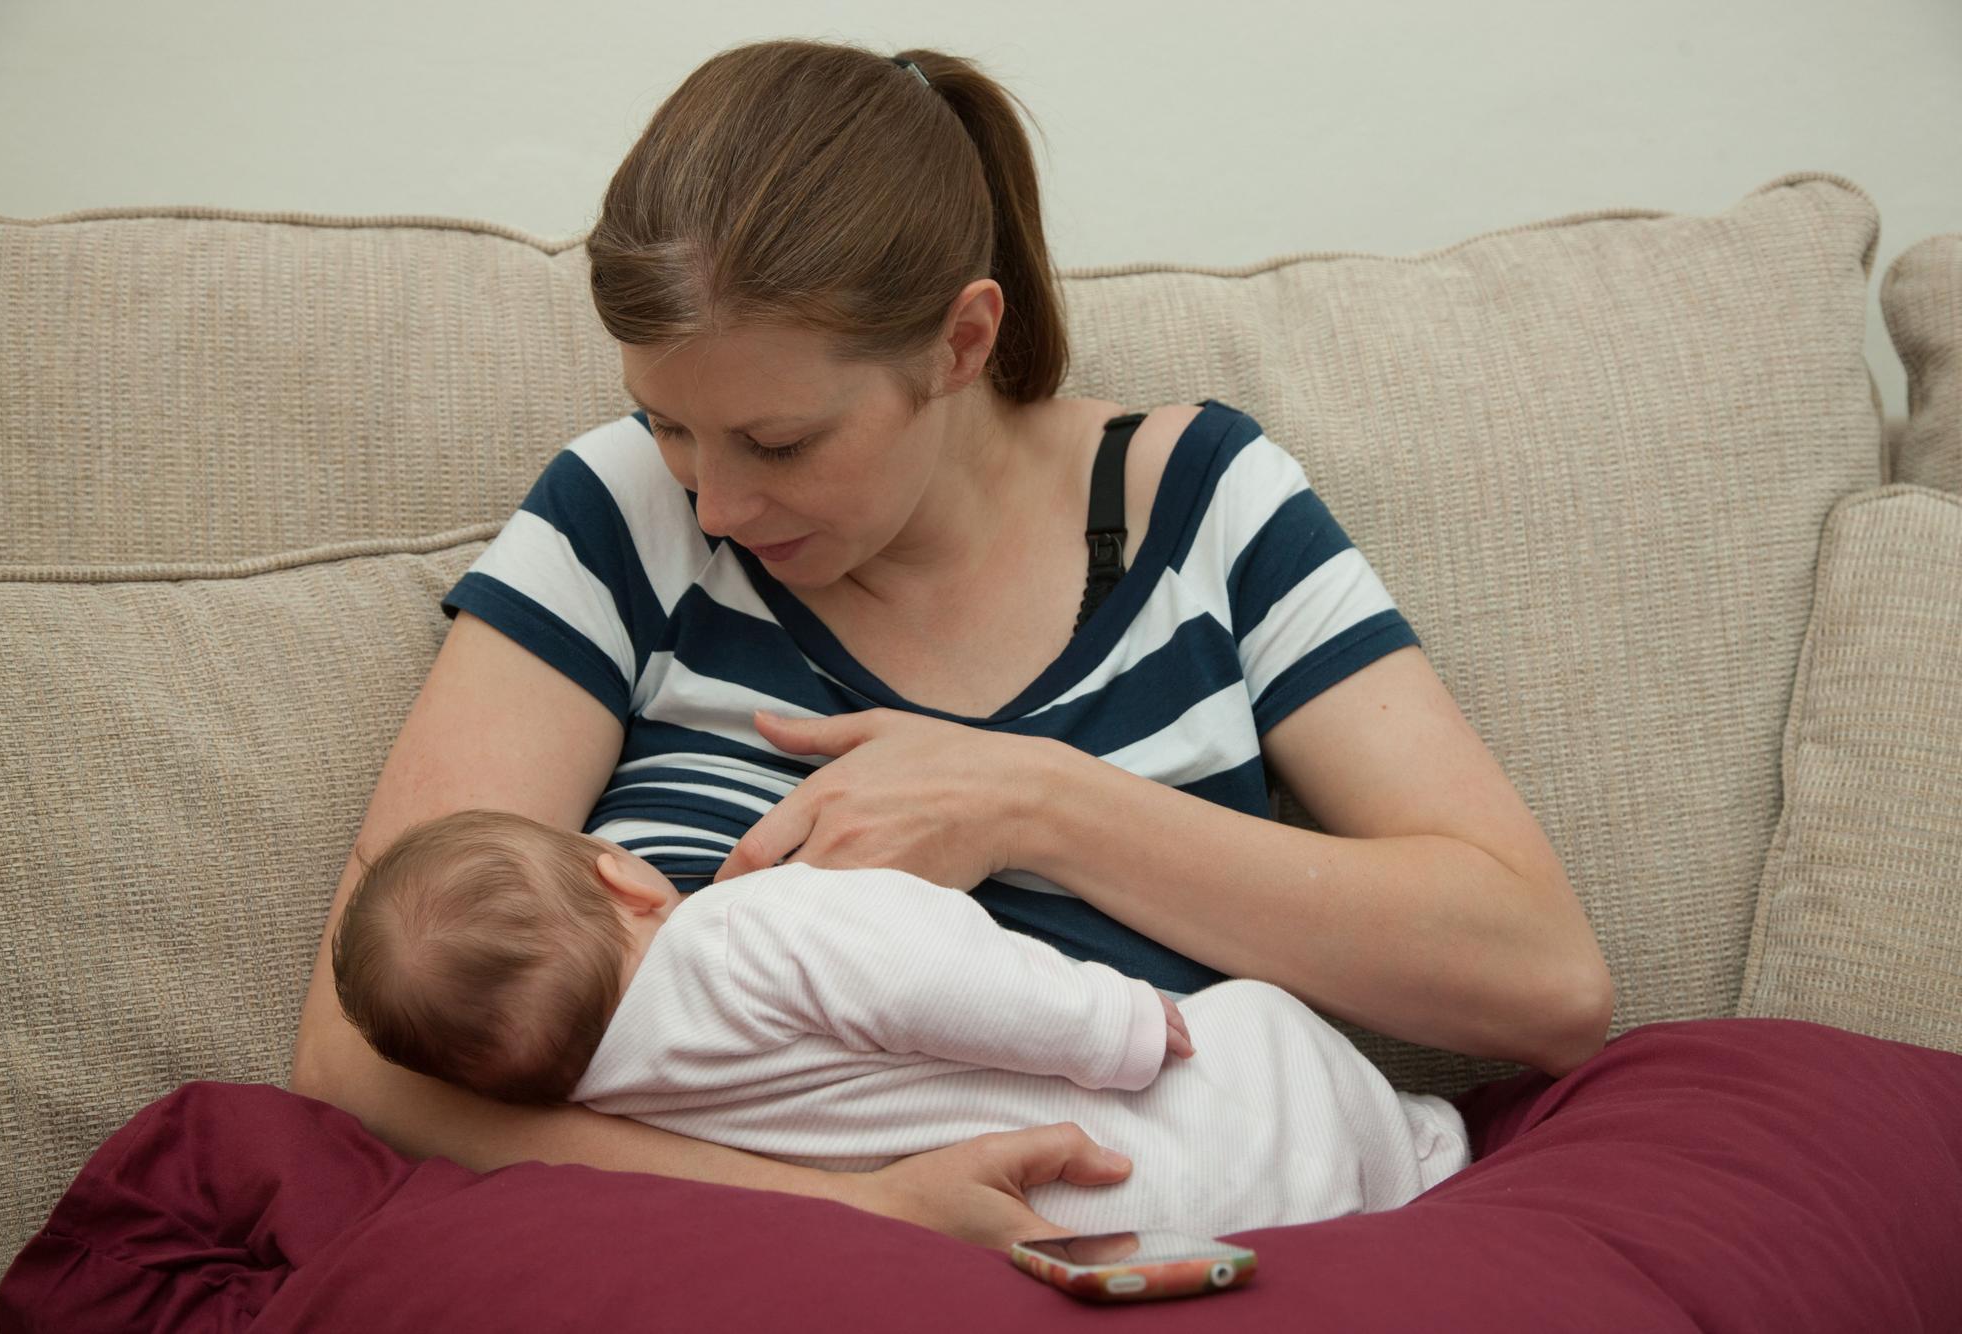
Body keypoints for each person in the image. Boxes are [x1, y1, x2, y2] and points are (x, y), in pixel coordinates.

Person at [291, 38, 1613, 1251]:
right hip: (745, 1264)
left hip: (1196, 1220)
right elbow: (359, 1055)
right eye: (671, 423)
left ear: (961, 340)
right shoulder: (617, 516)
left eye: (779, 441)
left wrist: (1035, 800)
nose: (715, 505)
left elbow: (1542, 980)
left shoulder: (1205, 506)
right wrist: (855, 1214)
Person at [329, 807, 1472, 1237]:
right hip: (1168, 1147)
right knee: (1258, 1022)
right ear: (623, 874)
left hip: (1085, 1229)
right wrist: (1110, 1019)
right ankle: (1412, 1147)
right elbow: (939, 975)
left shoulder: (612, 1103)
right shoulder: (739, 932)